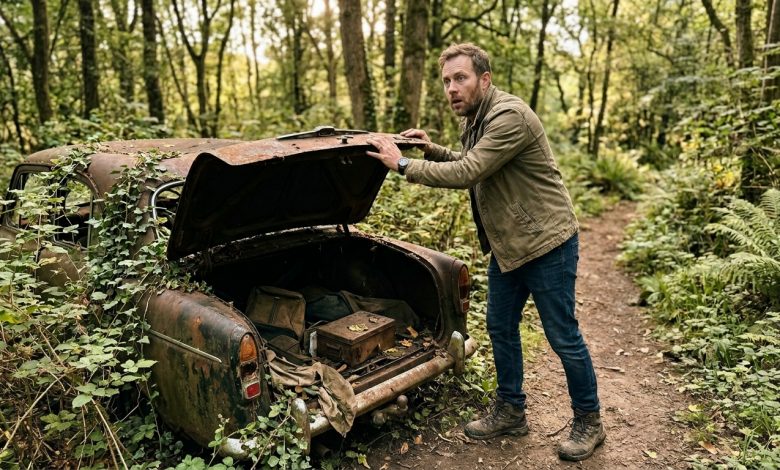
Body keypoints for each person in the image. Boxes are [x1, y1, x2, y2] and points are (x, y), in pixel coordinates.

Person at [365, 43, 605, 462]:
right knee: (500, 327)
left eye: (460, 78)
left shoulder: (509, 116)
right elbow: (472, 160)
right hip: (509, 246)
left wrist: (402, 165)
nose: (451, 88)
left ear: (485, 79)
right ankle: (511, 410)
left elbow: (469, 172)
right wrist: (432, 150)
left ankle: (590, 420)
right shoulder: (476, 118)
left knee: (562, 335)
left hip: (546, 242)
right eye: (446, 81)